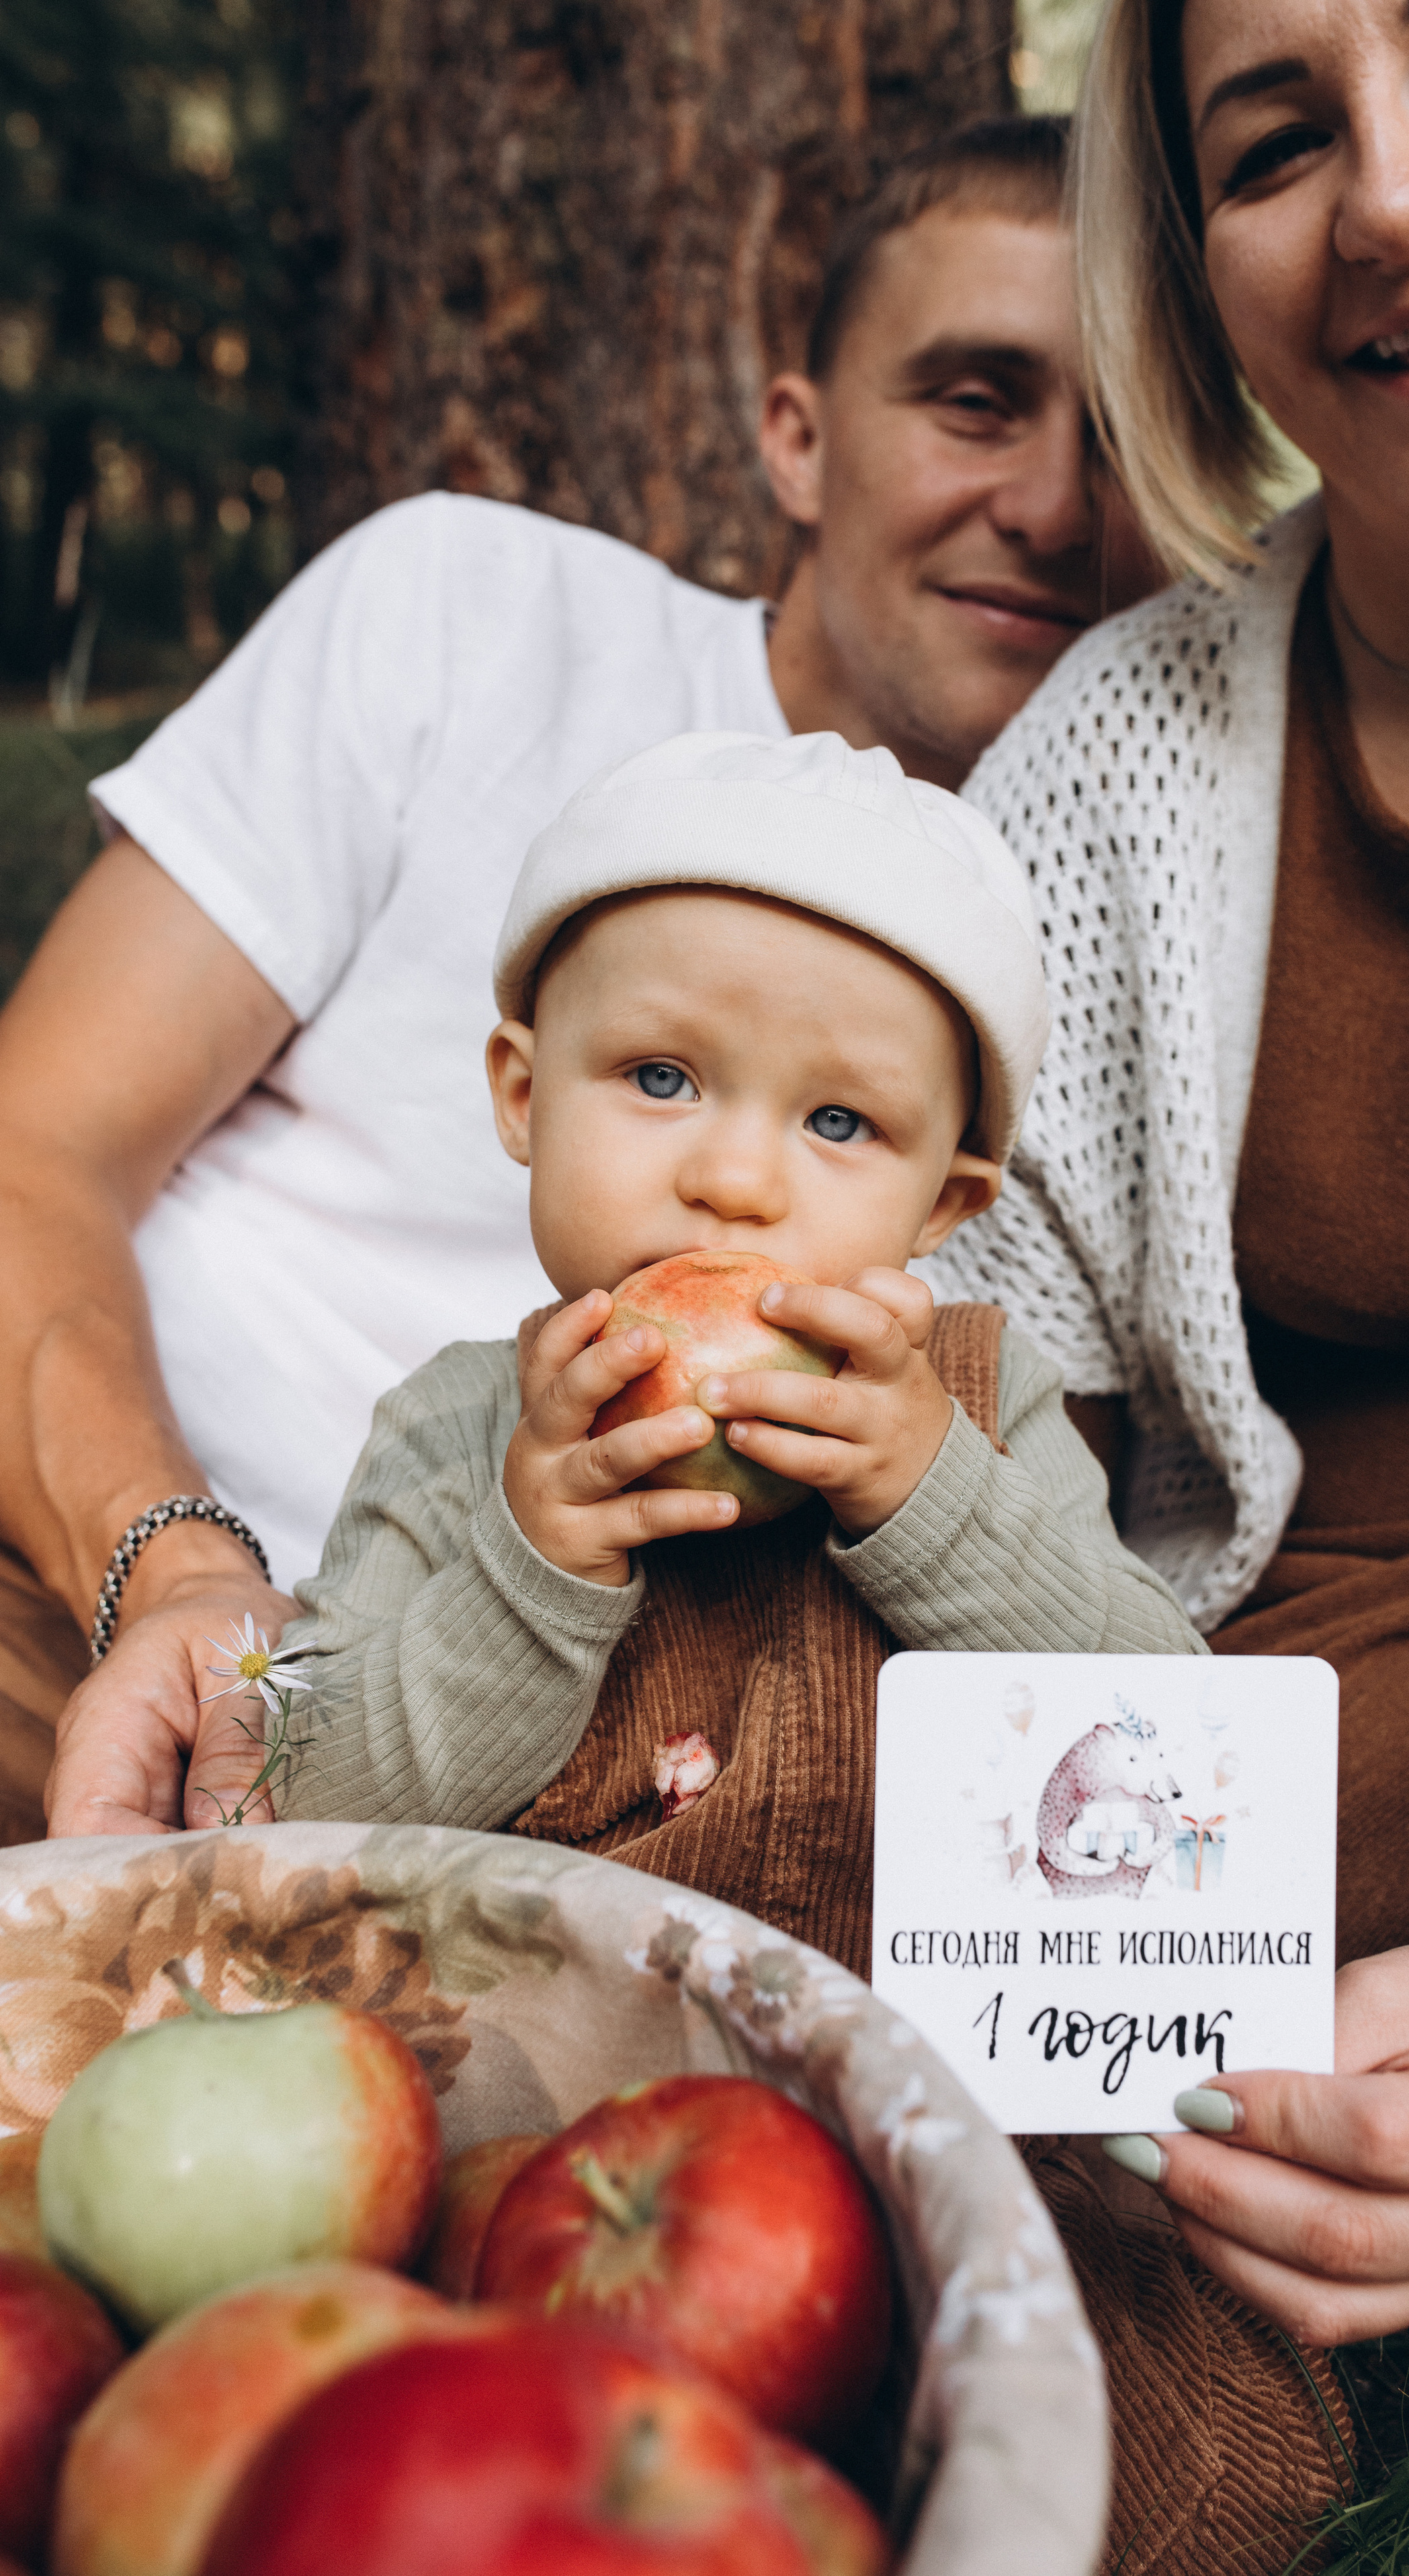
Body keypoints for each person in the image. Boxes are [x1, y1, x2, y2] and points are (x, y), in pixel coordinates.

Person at [922, 0, 1409, 2562]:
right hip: (1256, 1760)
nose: (1390, 197)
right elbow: (968, 1387)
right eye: (1275, 140)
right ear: (1205, 277)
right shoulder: (1114, 752)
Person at [0, 116, 1161, 1849]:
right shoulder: (463, 610)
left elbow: (1147, 1700)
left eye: (1136, 435)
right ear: (796, 435)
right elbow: (31, 1147)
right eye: (973, 399)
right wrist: (168, 1576)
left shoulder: (1163, 902)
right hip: (134, 1603)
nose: (1059, 505)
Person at [267, 731, 1201, 1961]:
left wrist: (934, 1497)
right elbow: (299, 1806)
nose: (734, 1180)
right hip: (557, 2100)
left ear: (941, 1207)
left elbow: (1180, 1732)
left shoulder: (982, 1408)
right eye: (661, 1077)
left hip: (920, 2094)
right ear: (522, 1095)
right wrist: (528, 1569)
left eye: (837, 1119)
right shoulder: (453, 1432)